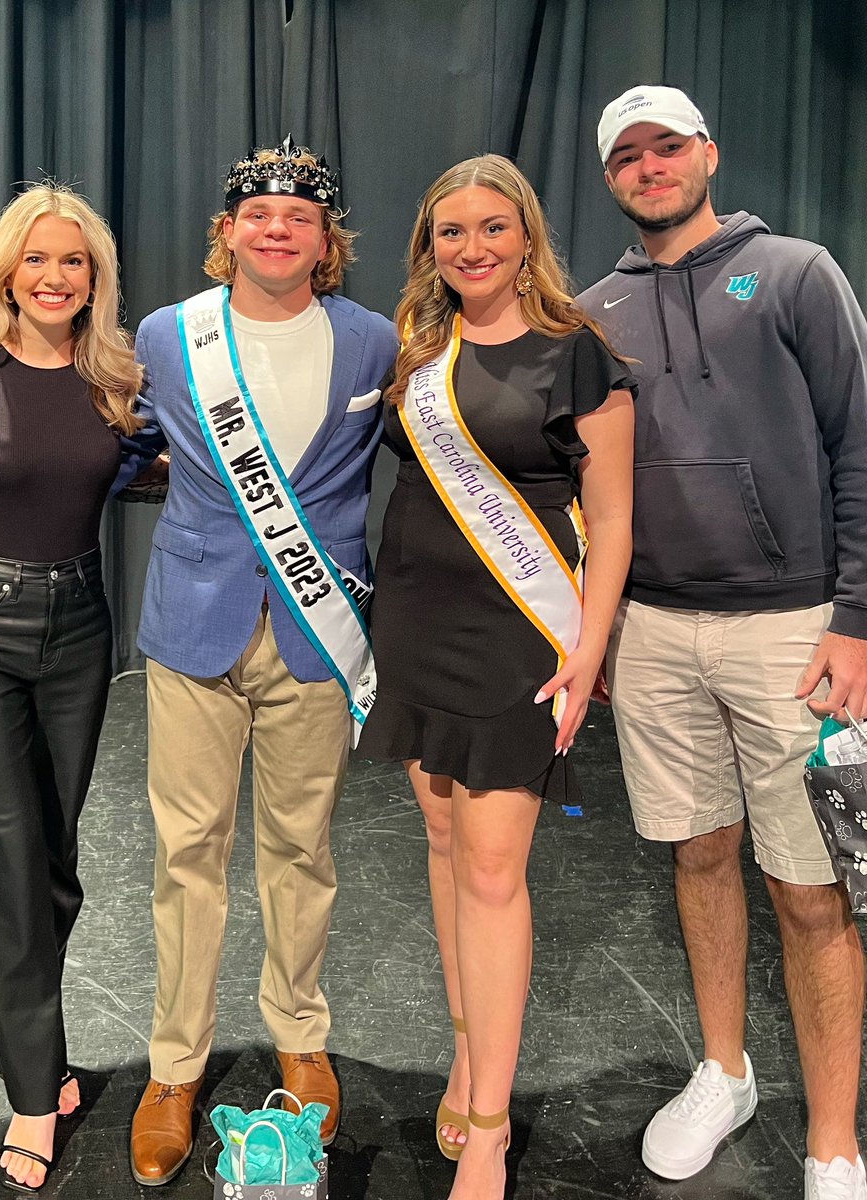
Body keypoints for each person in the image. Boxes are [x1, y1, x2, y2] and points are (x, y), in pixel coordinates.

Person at [581, 85, 867, 1200]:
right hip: (654, 629)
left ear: (708, 151)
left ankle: (835, 1137)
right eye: (628, 156)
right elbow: (590, 493)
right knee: (698, 856)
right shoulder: (595, 307)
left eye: (667, 147)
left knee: (810, 891)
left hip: (794, 630)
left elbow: (859, 449)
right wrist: (601, 630)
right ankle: (726, 1071)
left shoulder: (797, 273)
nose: (649, 167)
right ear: (612, 178)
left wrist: (856, 618)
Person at [120, 137, 397, 1186]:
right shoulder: (166, 334)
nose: (277, 227)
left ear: (327, 242)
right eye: (258, 211)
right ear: (227, 231)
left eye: (301, 215)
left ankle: (299, 1036)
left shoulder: (374, 342)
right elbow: (130, 444)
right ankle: (175, 1068)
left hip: (316, 635)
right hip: (194, 624)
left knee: (301, 848)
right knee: (185, 853)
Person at [358, 154, 634, 1199]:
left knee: (490, 868)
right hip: (417, 620)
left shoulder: (577, 356)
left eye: (490, 229)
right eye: (449, 232)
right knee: (439, 836)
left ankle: (489, 1131)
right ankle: (471, 1055)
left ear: (526, 239)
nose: (470, 248)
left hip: (519, 632)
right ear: (430, 246)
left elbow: (612, 523)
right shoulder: (418, 349)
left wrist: (585, 651)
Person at [0, 183, 143, 1194]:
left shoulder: (118, 379)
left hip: (82, 631)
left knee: (54, 862)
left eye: (74, 262)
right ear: (5, 269)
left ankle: (36, 1040)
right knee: (11, 861)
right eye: (36, 259)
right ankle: (28, 1087)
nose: (54, 277)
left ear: (95, 278)